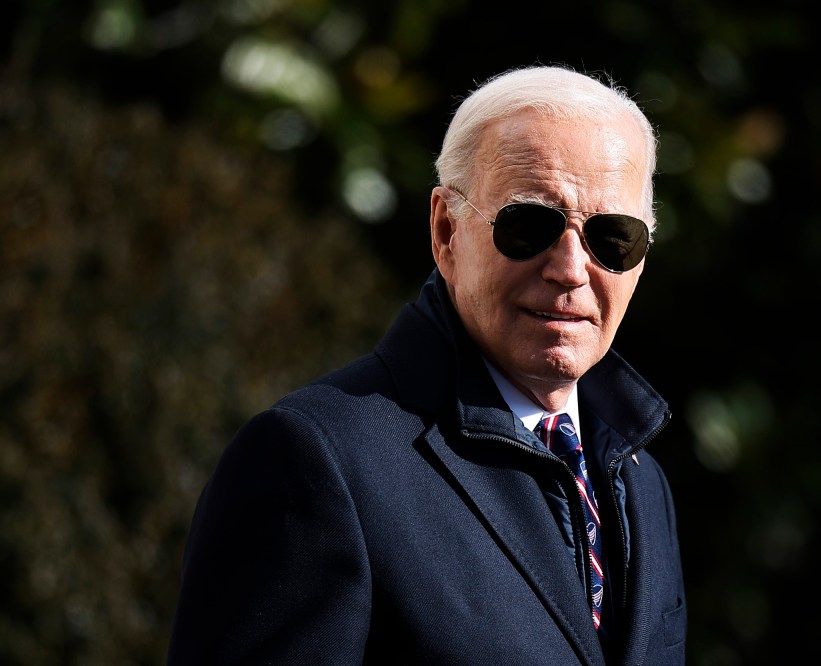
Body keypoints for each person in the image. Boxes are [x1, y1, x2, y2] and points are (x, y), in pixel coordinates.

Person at [167, 65, 686, 665]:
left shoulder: (640, 482)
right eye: (528, 226)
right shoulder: (312, 462)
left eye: (613, 237)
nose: (570, 269)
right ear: (445, 231)